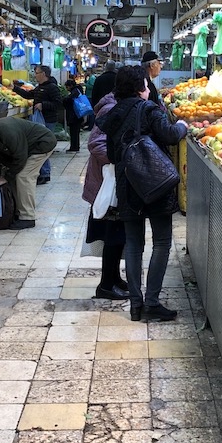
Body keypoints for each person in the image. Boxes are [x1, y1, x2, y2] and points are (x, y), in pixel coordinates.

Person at [98, 65, 187, 322]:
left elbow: (112, 153)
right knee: (161, 242)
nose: (148, 89)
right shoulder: (148, 109)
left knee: (134, 245)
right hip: (155, 185)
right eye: (146, 86)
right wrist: (182, 125)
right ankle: (152, 302)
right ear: (140, 89)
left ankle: (136, 305)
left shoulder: (113, 113)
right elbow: (170, 135)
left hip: (128, 185)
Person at [82, 91, 129, 301]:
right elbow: (96, 144)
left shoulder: (115, 107)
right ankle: (106, 285)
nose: (147, 91)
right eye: (144, 87)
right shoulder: (111, 110)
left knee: (116, 237)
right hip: (106, 187)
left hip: (109, 185)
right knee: (113, 235)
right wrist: (121, 158)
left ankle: (113, 278)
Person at [0, 117, 56, 229]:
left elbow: (20, 159)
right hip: (26, 148)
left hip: (42, 144)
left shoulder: (9, 134)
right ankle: (16, 212)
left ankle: (27, 217)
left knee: (24, 176)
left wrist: (6, 177)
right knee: (14, 176)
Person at [12, 65, 63, 185]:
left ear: (44, 74)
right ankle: (43, 173)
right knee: (40, 145)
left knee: (42, 146)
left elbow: (58, 104)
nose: (35, 75)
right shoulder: (40, 87)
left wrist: (43, 105)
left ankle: (45, 173)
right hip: (41, 120)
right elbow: (29, 95)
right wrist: (14, 88)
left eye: (37, 73)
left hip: (48, 120)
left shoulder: (52, 87)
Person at [62, 78, 84, 153]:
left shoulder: (75, 92)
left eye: (67, 87)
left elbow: (68, 100)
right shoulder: (78, 90)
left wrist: (64, 99)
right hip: (77, 115)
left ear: (70, 86)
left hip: (74, 116)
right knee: (75, 132)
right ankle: (75, 146)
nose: (67, 89)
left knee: (74, 132)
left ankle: (74, 147)